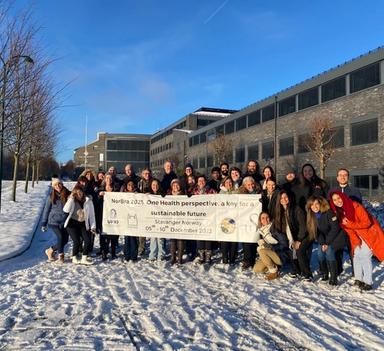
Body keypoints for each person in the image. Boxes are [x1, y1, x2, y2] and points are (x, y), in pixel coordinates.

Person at [330, 191, 384, 291]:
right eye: (334, 200)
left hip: (370, 234)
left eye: (339, 198)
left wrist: (350, 224)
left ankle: (368, 282)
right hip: (358, 236)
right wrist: (355, 243)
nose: (337, 201)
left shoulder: (355, 206)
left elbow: (366, 223)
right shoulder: (340, 213)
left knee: (365, 256)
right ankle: (358, 279)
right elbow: (350, 231)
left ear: (343, 197)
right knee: (356, 256)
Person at [306, 196, 347, 286]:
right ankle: (325, 273)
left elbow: (335, 228)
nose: (314, 206)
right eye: (312, 205)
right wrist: (323, 243)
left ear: (320, 204)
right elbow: (317, 232)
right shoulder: (312, 216)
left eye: (316, 204)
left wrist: (327, 243)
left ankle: (333, 277)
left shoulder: (328, 212)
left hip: (336, 237)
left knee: (329, 253)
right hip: (324, 239)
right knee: (320, 254)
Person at [273, 190, 310, 280]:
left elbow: (303, 226)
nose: (284, 199)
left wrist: (299, 240)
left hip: (303, 235)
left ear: (289, 198)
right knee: (290, 250)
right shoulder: (280, 211)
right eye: (281, 198)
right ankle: (296, 270)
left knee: (299, 251)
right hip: (290, 237)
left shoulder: (296, 209)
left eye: (285, 197)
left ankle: (307, 274)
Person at [63, 185, 97, 265]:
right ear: (74, 193)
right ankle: (74, 257)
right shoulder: (72, 200)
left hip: (83, 223)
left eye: (80, 192)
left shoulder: (88, 201)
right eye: (77, 193)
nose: (79, 194)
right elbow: (65, 210)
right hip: (72, 224)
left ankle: (84, 258)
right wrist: (71, 199)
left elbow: (92, 215)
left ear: (83, 192)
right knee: (77, 241)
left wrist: (93, 226)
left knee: (88, 240)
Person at [41, 178, 71, 263]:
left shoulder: (68, 194)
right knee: (60, 237)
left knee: (65, 240)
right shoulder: (51, 196)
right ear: (53, 187)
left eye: (59, 184)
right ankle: (61, 255)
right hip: (54, 221)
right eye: (55, 185)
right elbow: (46, 210)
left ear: (62, 184)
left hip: (65, 220)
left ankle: (50, 250)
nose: (57, 186)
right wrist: (44, 223)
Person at [238, 176, 261, 270]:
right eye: (248, 184)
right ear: (244, 185)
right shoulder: (240, 193)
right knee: (246, 242)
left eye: (252, 184)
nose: (250, 186)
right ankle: (246, 260)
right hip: (245, 220)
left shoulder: (259, 192)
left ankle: (253, 260)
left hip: (256, 220)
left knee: (255, 240)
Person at [193, 175, 217, 264]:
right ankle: (201, 256)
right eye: (199, 180)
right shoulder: (194, 192)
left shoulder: (211, 191)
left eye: (203, 180)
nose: (201, 182)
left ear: (205, 181)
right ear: (197, 182)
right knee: (200, 237)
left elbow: (217, 201)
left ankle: (208, 256)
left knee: (208, 236)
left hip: (209, 218)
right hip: (198, 218)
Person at [253, 212, 282, 280]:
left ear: (270, 218)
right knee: (256, 269)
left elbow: (283, 244)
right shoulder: (261, 230)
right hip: (269, 254)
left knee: (262, 250)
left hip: (280, 255)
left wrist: (268, 246)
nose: (265, 220)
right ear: (260, 220)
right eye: (263, 218)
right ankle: (273, 265)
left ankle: (274, 272)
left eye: (267, 217)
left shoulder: (275, 228)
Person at [97, 173, 119, 260]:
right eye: (107, 178)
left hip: (113, 214)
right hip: (103, 214)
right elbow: (96, 201)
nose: (109, 180)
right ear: (105, 179)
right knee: (103, 234)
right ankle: (104, 251)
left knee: (113, 233)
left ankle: (113, 252)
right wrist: (99, 195)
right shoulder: (101, 189)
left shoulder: (116, 189)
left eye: (110, 178)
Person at [219, 177, 238, 264]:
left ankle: (232, 258)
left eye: (230, 182)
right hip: (224, 219)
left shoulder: (237, 192)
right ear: (224, 184)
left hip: (235, 218)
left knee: (234, 239)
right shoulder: (221, 193)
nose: (229, 184)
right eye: (227, 182)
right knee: (224, 239)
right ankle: (225, 257)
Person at [168, 179, 185, 265]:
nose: (176, 187)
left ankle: (180, 257)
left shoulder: (184, 195)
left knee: (180, 239)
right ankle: (173, 257)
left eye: (177, 185)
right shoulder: (168, 195)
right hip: (172, 220)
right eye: (174, 185)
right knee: (173, 240)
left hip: (181, 219)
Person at [148, 179, 166, 261]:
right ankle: (152, 255)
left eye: (156, 185)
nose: (155, 186)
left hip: (161, 219)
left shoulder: (163, 195)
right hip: (152, 219)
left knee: (160, 238)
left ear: (159, 186)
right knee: (153, 238)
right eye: (153, 185)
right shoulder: (148, 195)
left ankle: (161, 254)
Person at [122, 180, 140, 262]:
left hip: (135, 218)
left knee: (133, 239)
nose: (131, 186)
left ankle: (133, 256)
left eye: (132, 185)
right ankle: (127, 256)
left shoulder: (138, 194)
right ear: (126, 186)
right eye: (129, 185)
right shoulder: (123, 195)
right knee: (127, 238)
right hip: (126, 218)